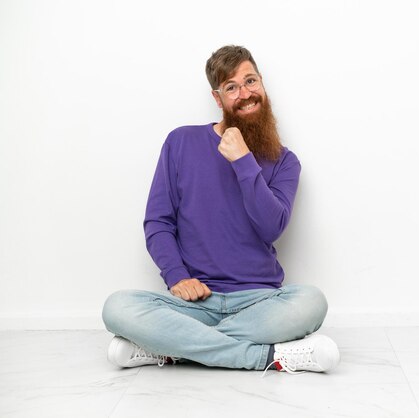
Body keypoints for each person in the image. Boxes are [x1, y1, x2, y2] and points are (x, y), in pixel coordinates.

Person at [102, 45, 340, 374]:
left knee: (312, 302)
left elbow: (272, 228)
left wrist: (244, 161)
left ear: (262, 85)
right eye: (231, 87)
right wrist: (177, 276)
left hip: (260, 302)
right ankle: (267, 357)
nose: (245, 93)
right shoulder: (180, 142)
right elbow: (158, 222)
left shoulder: (285, 162)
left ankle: (169, 348)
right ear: (218, 99)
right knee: (117, 307)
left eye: (250, 81)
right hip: (193, 301)